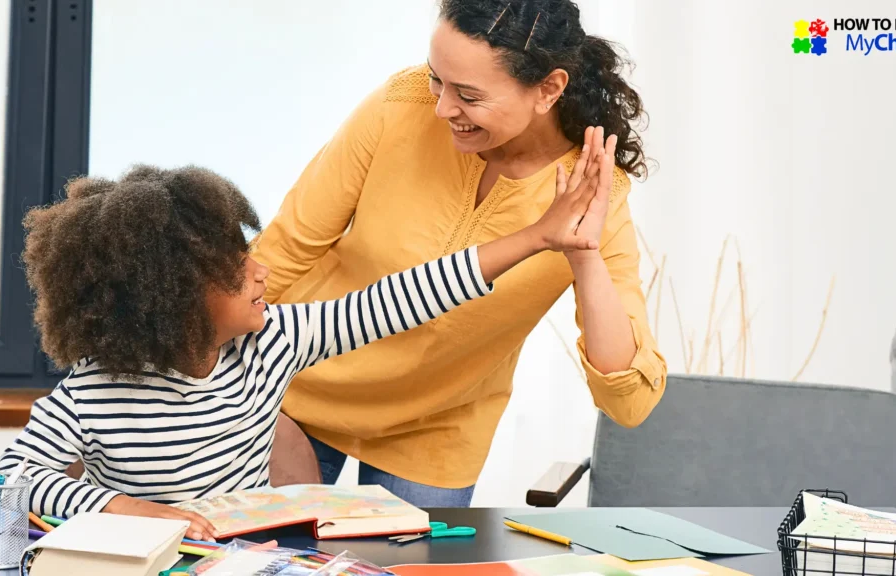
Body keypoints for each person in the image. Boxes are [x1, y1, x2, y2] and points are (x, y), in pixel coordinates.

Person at [0, 153, 611, 540]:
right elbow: (12, 475)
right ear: (175, 297)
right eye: (237, 268)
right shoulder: (96, 388)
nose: (260, 271)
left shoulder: (271, 344)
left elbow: (400, 298)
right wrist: (130, 510)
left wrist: (535, 237)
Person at [250, 0, 667, 507]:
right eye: (436, 79)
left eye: (469, 95)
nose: (443, 108)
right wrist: (226, 385)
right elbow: (284, 249)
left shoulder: (592, 190)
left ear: (549, 89)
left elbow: (629, 400)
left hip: (435, 431)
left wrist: (584, 255)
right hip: (295, 390)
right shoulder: (400, 107)